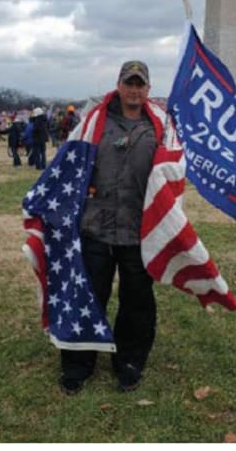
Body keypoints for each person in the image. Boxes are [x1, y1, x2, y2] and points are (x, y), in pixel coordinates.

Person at [60, 60, 159, 395]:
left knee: (137, 300)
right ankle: (78, 363)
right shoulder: (94, 123)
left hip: (138, 228)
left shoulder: (161, 127)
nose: (133, 89)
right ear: (118, 85)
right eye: (128, 83)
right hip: (96, 226)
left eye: (139, 84)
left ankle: (129, 361)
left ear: (148, 89)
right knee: (88, 296)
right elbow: (70, 165)